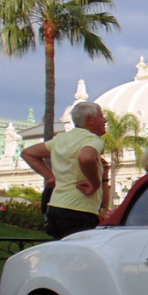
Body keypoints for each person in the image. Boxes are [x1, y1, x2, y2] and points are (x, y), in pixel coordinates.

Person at [20, 101, 109, 239]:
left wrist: (50, 177)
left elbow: (28, 153)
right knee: (78, 255)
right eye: (101, 116)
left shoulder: (61, 139)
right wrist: (94, 185)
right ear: (90, 119)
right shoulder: (93, 140)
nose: (105, 120)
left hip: (55, 208)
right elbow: (86, 158)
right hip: (80, 210)